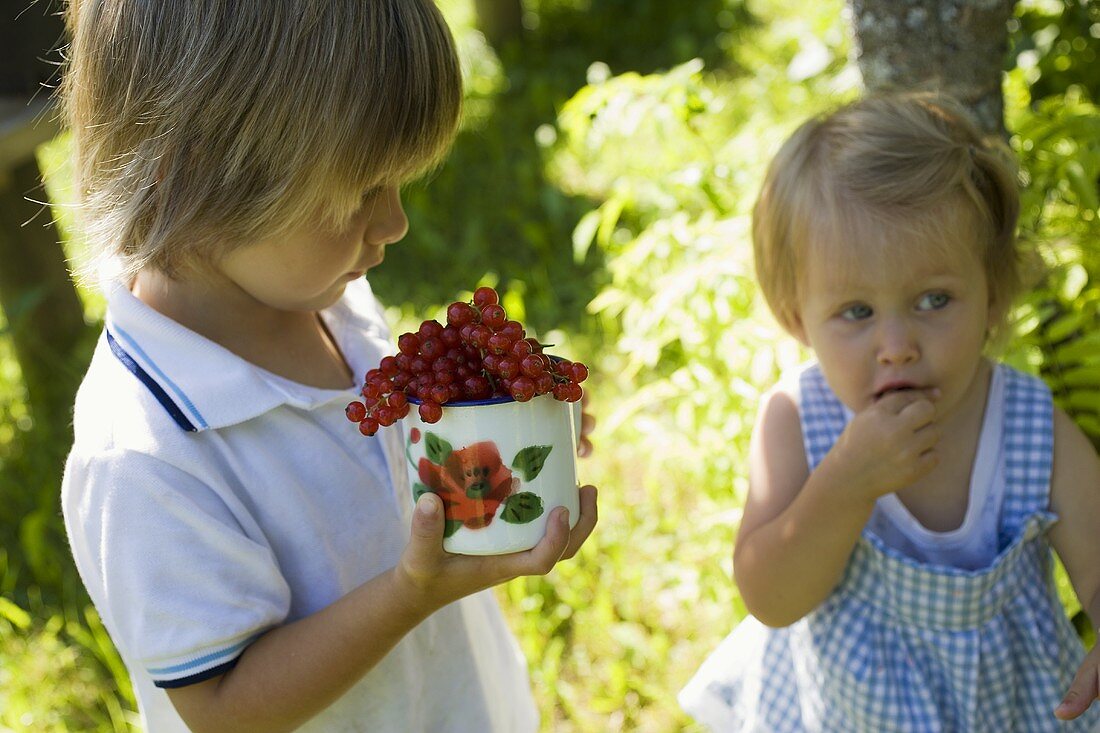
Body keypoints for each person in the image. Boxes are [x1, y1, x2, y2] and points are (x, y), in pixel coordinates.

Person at [58, 2, 598, 731]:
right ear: (191, 176)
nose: (395, 222)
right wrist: (411, 591)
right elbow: (222, 707)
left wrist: (500, 430)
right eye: (360, 191)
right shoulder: (145, 457)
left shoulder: (328, 302)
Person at [678, 92, 1100, 731]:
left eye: (934, 299)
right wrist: (845, 482)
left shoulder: (1030, 428)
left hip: (1009, 711)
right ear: (799, 319)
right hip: (847, 712)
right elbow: (770, 598)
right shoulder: (797, 418)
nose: (897, 348)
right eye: (856, 312)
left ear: (993, 296)